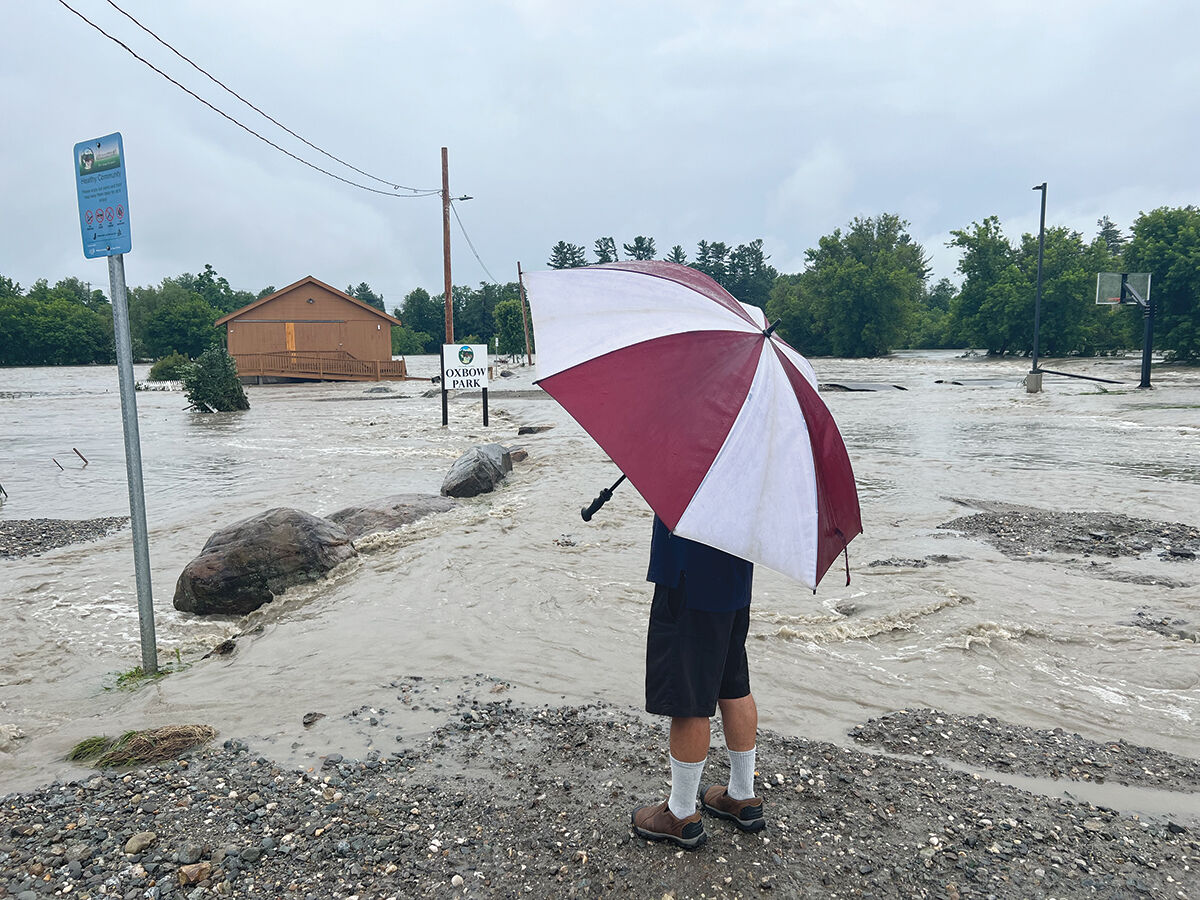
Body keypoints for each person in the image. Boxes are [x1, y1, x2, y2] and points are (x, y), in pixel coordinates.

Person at [631, 515, 765, 849]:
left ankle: (680, 814)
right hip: (735, 571)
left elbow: (669, 481)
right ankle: (742, 796)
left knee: (687, 695)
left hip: (689, 573)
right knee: (734, 683)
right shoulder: (753, 462)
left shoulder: (695, 462)